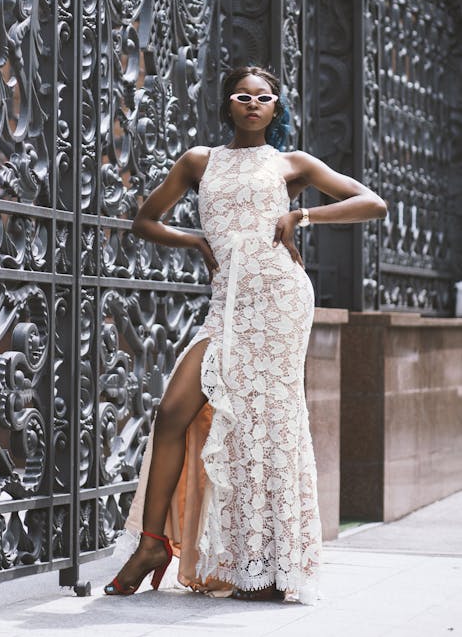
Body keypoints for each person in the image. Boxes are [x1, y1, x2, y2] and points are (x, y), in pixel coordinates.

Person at [104, 65, 387, 603]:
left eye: (264, 98)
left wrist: (303, 216)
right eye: (242, 96)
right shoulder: (198, 161)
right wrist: (193, 240)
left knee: (268, 423)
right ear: (227, 104)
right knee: (172, 411)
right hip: (225, 306)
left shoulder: (291, 164)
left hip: (278, 301)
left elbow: (372, 202)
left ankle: (266, 564)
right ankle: (151, 544)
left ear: (275, 109)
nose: (253, 104)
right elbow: (145, 220)